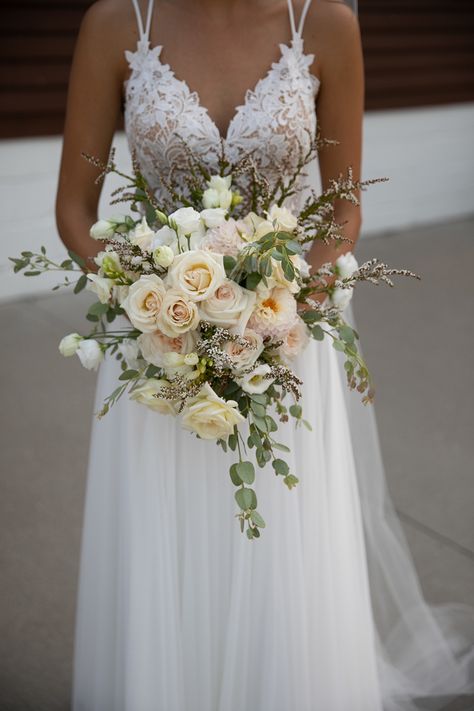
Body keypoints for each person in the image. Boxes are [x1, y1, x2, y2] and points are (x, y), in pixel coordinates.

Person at [55, 1, 474, 709]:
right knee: (169, 545)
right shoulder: (119, 22)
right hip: (161, 341)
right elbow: (73, 208)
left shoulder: (326, 22)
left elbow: (342, 208)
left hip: (282, 339)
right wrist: (151, 296)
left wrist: (280, 312)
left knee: (280, 550)